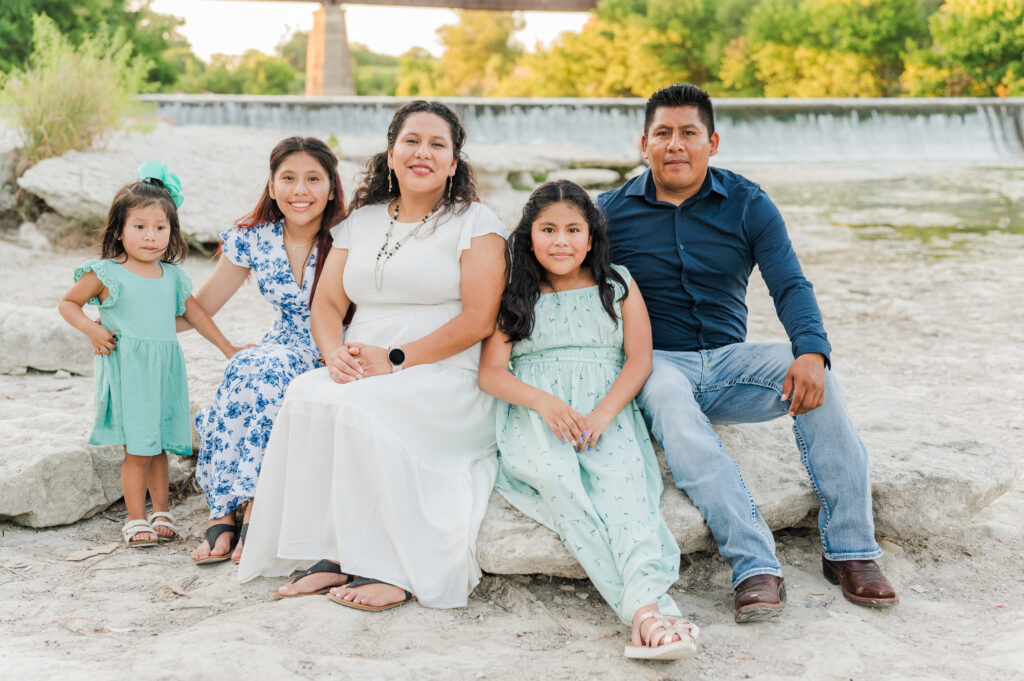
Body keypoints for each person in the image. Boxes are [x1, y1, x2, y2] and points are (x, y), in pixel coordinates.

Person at [597, 83, 899, 622]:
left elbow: (790, 285)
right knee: (665, 394)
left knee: (817, 378)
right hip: (656, 362)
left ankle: (851, 551)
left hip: (731, 362)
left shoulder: (748, 202)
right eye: (663, 133)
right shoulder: (610, 214)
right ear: (643, 144)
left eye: (688, 133)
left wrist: (811, 351)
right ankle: (754, 565)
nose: (675, 145)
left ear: (712, 142)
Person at [238, 100, 507, 611]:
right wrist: (335, 353)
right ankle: (332, 552)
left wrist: (398, 358)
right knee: (306, 394)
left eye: (436, 144)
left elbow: (479, 318)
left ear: (453, 163)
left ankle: (391, 567)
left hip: (443, 372)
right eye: (411, 141)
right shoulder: (360, 221)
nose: (421, 152)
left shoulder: (476, 221)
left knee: (361, 408)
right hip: (365, 364)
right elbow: (328, 303)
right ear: (390, 154)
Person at [478, 181, 699, 660]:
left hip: (606, 413)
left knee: (625, 493)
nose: (561, 241)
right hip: (539, 417)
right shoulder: (517, 291)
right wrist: (545, 404)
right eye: (549, 229)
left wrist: (602, 415)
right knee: (563, 487)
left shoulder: (615, 283)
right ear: (529, 236)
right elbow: (491, 373)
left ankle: (645, 613)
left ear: (592, 236)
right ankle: (651, 612)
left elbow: (639, 360)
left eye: (573, 229)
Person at [59, 162, 243, 549]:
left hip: (165, 370)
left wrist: (228, 349)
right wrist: (93, 329)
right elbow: (68, 304)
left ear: (172, 232)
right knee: (139, 449)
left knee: (159, 446)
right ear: (119, 231)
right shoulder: (107, 272)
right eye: (139, 227)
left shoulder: (172, 276)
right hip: (130, 369)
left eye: (161, 227)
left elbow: (195, 314)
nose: (151, 236)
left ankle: (162, 511)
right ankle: (136, 517)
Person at [186, 137, 347, 566]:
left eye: (314, 179)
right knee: (248, 365)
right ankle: (223, 507)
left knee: (264, 369)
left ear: (331, 188)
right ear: (272, 187)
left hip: (334, 348)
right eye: (288, 179)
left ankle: (255, 506)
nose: (300, 190)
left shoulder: (350, 236)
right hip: (278, 346)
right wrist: (134, 301)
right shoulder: (252, 239)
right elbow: (197, 308)